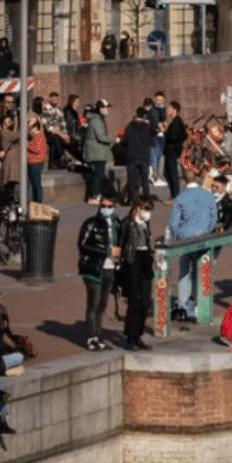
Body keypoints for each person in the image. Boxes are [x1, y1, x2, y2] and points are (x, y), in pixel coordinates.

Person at [168, 170, 219, 321]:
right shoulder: (207, 195)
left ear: (184, 180)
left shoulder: (180, 198)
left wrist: (178, 235)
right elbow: (213, 219)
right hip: (202, 237)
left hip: (185, 239)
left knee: (184, 271)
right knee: (201, 270)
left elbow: (173, 223)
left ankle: (183, 304)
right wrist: (206, 231)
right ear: (197, 179)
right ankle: (197, 302)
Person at [78, 195, 119, 351]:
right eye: (104, 206)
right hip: (93, 267)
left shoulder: (117, 224)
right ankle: (91, 337)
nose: (106, 210)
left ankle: (97, 335)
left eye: (110, 207)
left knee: (102, 304)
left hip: (110, 268)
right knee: (93, 303)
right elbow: (82, 245)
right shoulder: (91, 224)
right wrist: (106, 251)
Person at [118, 198, 155, 350]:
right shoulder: (127, 223)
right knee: (134, 300)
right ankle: (130, 337)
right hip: (132, 261)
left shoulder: (145, 224)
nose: (148, 214)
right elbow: (121, 243)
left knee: (145, 301)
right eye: (146, 210)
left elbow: (147, 241)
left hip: (145, 259)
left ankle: (138, 334)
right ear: (138, 208)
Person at [83, 99, 114, 204]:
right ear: (100, 108)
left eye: (107, 107)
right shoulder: (96, 120)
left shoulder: (98, 119)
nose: (107, 109)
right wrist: (114, 139)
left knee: (98, 173)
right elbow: (101, 137)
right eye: (105, 107)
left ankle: (96, 194)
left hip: (97, 151)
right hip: (97, 151)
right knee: (98, 174)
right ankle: (94, 196)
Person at [123, 106, 153, 206]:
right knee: (145, 180)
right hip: (144, 157)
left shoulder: (129, 126)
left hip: (131, 156)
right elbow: (150, 141)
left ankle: (131, 199)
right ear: (144, 116)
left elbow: (124, 141)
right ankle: (146, 200)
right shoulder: (147, 127)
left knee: (131, 179)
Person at [162, 102, 187, 201]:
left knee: (172, 174)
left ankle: (175, 196)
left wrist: (164, 131)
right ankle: (173, 195)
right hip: (172, 151)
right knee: (168, 173)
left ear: (174, 110)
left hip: (172, 151)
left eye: (169, 108)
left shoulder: (177, 122)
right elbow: (183, 135)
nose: (167, 110)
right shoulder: (176, 122)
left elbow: (173, 137)